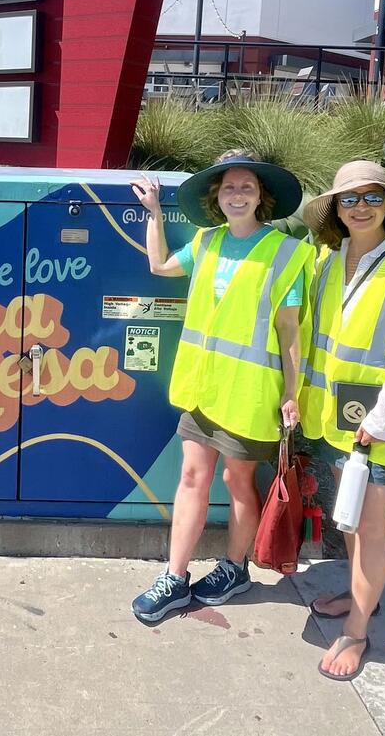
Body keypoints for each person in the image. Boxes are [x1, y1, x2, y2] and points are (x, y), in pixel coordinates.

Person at [128, 150, 314, 621]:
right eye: (228, 187)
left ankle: (235, 566)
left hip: (250, 392)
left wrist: (293, 394)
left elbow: (291, 333)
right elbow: (161, 267)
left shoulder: (286, 252)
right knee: (191, 476)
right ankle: (175, 575)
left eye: (246, 187)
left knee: (237, 481)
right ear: (217, 197)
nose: (237, 194)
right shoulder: (206, 243)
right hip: (203, 388)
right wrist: (153, 215)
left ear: (261, 197)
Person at [298, 160, 385, 681]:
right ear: (335, 208)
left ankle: (357, 632)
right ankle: (363, 596)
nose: (361, 207)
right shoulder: (326, 262)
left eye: (372, 198)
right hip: (335, 410)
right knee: (351, 514)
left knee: (373, 525)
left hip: (379, 416)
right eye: (349, 199)